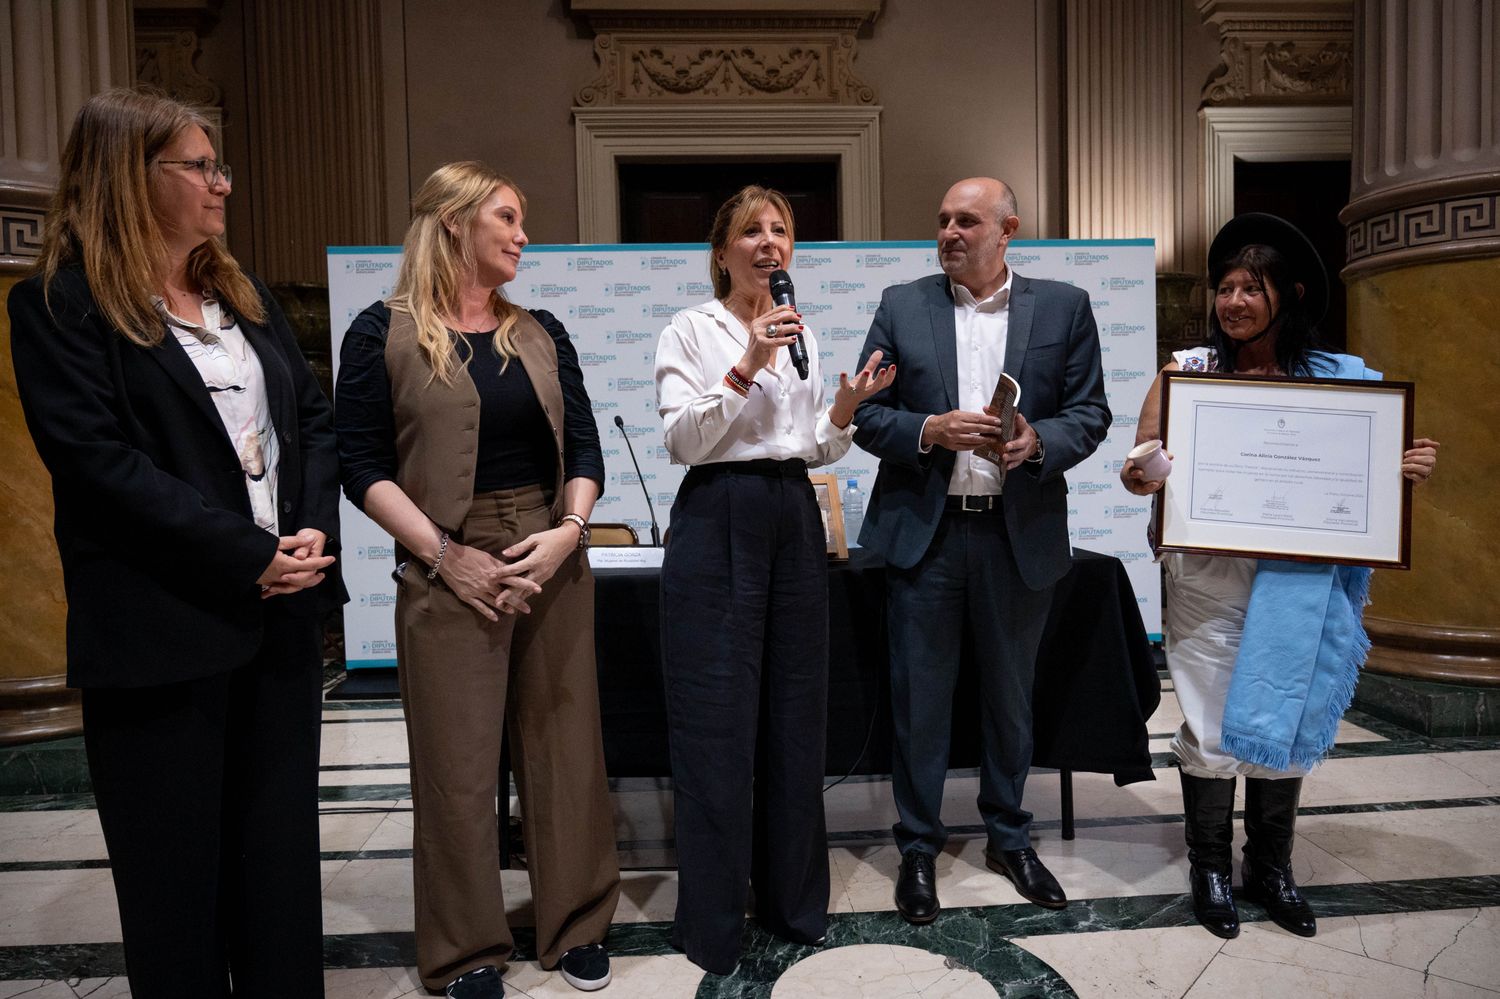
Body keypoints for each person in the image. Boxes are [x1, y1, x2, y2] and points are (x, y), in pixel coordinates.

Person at [8, 88, 342, 997]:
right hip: (161, 634)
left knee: (278, 876)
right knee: (174, 890)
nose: (222, 183)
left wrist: (308, 526)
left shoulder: (240, 290)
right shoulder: (60, 305)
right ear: (132, 174)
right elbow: (99, 466)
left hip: (277, 625)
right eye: (201, 166)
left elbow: (310, 419)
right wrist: (247, 553)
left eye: (216, 165)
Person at [335, 162, 620, 997]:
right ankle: (465, 949)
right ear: (455, 222)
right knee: (455, 768)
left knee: (566, 751)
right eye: (508, 216)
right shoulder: (375, 332)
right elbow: (361, 467)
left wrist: (569, 532)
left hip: (549, 554)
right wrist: (444, 555)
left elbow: (587, 450)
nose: (523, 233)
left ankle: (575, 925)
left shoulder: (542, 331)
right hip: (443, 561)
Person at [1121, 212, 1439, 941]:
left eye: (1249, 288)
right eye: (1224, 288)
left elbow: (1365, 473)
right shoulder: (1187, 370)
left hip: (1298, 575)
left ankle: (1271, 866)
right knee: (1206, 717)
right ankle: (1209, 866)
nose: (1232, 301)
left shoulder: (1338, 381)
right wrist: (1152, 468)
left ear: (1286, 295)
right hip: (1206, 572)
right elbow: (1139, 467)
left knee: (1285, 715)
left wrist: (1400, 469)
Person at [852, 177, 1111, 923]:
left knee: (1011, 698)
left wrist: (1037, 442)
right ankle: (918, 848)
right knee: (919, 703)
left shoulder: (1063, 306)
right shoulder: (903, 305)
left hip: (1013, 536)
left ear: (1007, 230)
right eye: (941, 221)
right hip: (925, 538)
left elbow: (1090, 412)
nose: (949, 232)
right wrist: (926, 430)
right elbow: (863, 413)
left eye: (966, 220)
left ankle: (1008, 835)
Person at [654, 184, 894, 974]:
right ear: (722, 251)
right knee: (717, 725)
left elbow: (811, 448)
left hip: (791, 516)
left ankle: (794, 903)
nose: (769, 243)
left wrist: (847, 408)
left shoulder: (805, 331)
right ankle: (714, 921)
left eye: (780, 231)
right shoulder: (691, 329)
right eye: (751, 232)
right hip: (717, 515)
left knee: (796, 717)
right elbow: (683, 441)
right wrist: (748, 360)